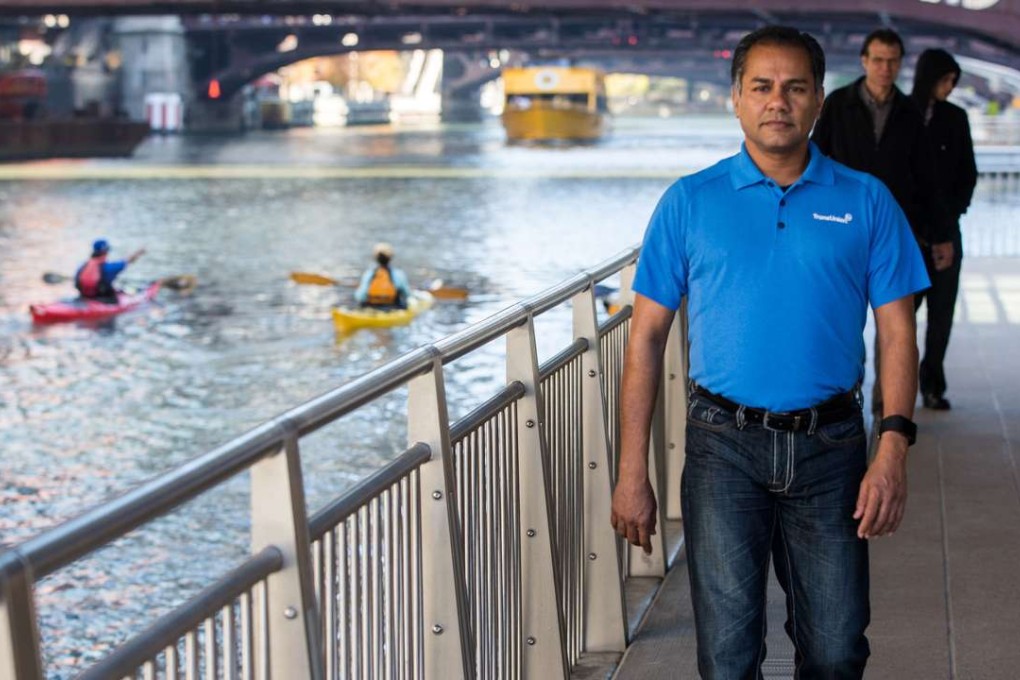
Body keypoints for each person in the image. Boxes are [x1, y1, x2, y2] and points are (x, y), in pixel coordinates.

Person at [610, 26, 930, 678]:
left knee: (837, 651)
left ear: (818, 101)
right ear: (735, 98)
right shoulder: (688, 203)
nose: (776, 101)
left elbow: (899, 333)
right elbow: (645, 338)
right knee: (727, 659)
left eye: (794, 88)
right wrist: (630, 471)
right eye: (761, 86)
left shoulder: (867, 202)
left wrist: (893, 446)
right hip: (723, 446)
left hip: (832, 447)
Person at [811, 28, 954, 413]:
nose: (885, 68)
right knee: (839, 314)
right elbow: (814, 164)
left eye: (892, 61)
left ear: (900, 64)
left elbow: (928, 178)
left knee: (894, 322)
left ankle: (884, 404)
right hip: (839, 227)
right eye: (878, 59)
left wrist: (941, 235)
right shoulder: (838, 105)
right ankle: (840, 396)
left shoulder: (909, 113)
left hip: (896, 231)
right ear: (864, 61)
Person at [910, 49, 978, 410]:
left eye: (954, 81)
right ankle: (899, 385)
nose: (950, 88)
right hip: (909, 236)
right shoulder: (904, 115)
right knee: (903, 319)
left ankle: (932, 385)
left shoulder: (955, 118)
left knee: (941, 317)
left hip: (947, 231)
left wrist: (948, 224)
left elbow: (967, 174)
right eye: (945, 80)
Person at [75, 239, 145, 302]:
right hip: (102, 299)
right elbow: (127, 261)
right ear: (105, 252)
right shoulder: (109, 268)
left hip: (84, 296)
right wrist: (139, 253)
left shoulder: (83, 266)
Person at [353, 242, 411, 310]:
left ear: (376, 258)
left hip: (371, 308)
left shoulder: (369, 274)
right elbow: (407, 294)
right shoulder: (398, 274)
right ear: (390, 258)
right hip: (392, 308)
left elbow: (360, 296)